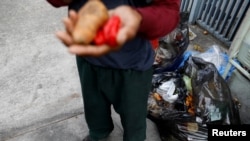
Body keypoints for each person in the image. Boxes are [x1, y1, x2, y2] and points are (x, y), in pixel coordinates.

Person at [46, 0, 180, 141]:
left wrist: (138, 18)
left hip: (131, 65)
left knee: (133, 114)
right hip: (88, 56)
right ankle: (99, 132)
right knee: (94, 105)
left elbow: (169, 11)